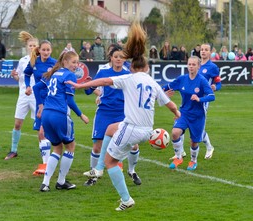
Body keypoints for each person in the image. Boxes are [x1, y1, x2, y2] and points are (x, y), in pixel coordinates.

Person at [67, 22, 180, 211]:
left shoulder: (128, 78)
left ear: (133, 67)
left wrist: (79, 86)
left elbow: (103, 81)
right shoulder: (152, 82)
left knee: (111, 161)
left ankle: (126, 199)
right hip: (147, 131)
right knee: (110, 129)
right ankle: (100, 170)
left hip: (132, 129)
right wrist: (177, 114)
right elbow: (171, 105)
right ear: (146, 68)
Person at [81, 45, 141, 187]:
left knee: (133, 145)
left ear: (124, 59)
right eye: (116, 57)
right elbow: (90, 90)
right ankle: (93, 175)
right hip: (105, 112)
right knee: (97, 146)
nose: (118, 59)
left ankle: (132, 171)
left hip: (123, 114)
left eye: (121, 57)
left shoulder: (129, 74)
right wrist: (87, 84)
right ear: (111, 58)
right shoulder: (103, 72)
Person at [39, 51, 89, 192]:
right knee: (70, 147)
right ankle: (61, 181)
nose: (76, 65)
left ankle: (45, 183)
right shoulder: (69, 75)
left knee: (57, 148)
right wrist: (81, 115)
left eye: (77, 62)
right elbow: (70, 100)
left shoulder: (55, 73)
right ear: (65, 62)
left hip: (47, 113)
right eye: (73, 62)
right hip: (59, 114)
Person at [169, 43, 221, 161]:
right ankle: (180, 152)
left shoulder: (212, 67)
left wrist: (215, 87)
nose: (203, 51)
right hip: (188, 102)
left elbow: (218, 83)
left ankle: (209, 147)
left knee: (197, 128)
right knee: (178, 125)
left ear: (210, 52)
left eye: (206, 50)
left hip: (202, 103)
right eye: (202, 49)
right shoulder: (195, 63)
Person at [163, 56, 215, 171]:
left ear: (198, 66)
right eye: (189, 64)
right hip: (184, 113)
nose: (191, 66)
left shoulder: (202, 80)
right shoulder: (182, 79)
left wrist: (199, 99)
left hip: (198, 116)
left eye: (193, 64)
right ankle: (178, 157)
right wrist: (164, 94)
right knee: (175, 133)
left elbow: (212, 96)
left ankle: (193, 161)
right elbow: (166, 87)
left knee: (194, 142)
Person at [23, 40, 57, 175]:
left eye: (48, 50)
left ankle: (51, 161)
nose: (46, 52)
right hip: (38, 100)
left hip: (52, 100)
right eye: (44, 50)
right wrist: (27, 86)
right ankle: (45, 164)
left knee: (50, 132)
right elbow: (26, 74)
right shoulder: (34, 62)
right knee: (41, 133)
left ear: (51, 50)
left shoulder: (54, 64)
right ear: (40, 50)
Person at [4, 31, 39, 160]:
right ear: (27, 47)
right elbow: (19, 78)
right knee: (18, 124)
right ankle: (13, 150)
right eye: (30, 45)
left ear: (38, 47)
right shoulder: (22, 60)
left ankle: (44, 153)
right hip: (23, 96)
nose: (32, 47)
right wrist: (14, 76)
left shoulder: (41, 61)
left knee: (39, 126)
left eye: (34, 45)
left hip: (37, 96)